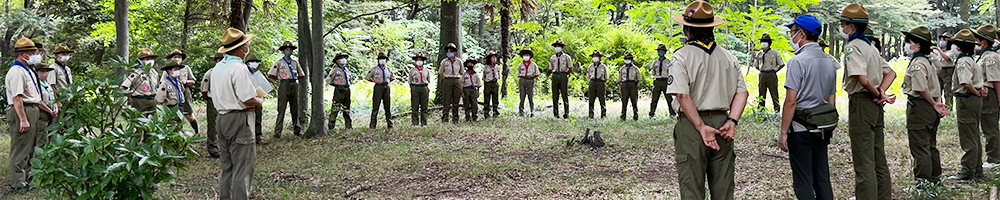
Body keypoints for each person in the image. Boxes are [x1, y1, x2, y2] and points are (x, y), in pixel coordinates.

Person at [667, 2, 749, 199]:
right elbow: (742, 93)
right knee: (723, 187)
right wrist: (732, 121)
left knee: (692, 187)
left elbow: (682, 95)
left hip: (692, 126)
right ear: (711, 28)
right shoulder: (729, 57)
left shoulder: (681, 57)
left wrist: (701, 126)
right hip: (723, 125)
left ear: (687, 30)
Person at [837, 3, 898, 199]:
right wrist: (881, 91)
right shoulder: (870, 48)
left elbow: (862, 80)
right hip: (875, 106)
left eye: (843, 24)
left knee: (864, 161)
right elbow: (891, 73)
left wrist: (878, 93)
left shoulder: (853, 47)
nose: (842, 28)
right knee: (878, 157)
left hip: (862, 104)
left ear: (851, 26)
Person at [776, 14, 838, 200]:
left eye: (792, 32)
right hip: (822, 126)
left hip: (800, 128)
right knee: (822, 176)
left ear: (801, 33)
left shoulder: (797, 62)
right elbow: (831, 99)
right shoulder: (829, 61)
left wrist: (784, 132)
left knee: (803, 179)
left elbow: (791, 101)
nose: (791, 36)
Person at [211, 28, 264, 200]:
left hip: (222, 118)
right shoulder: (239, 68)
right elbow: (247, 98)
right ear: (241, 48)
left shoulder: (218, 68)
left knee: (227, 167)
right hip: (240, 119)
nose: (248, 46)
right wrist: (259, 101)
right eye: (246, 44)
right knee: (243, 167)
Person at [900, 26, 950, 184]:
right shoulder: (928, 61)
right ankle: (935, 179)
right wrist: (937, 102)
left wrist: (934, 104)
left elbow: (921, 89)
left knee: (920, 146)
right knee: (930, 145)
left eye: (910, 42)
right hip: (929, 107)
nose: (907, 45)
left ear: (918, 45)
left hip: (920, 108)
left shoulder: (918, 64)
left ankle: (923, 183)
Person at [6, 38, 43, 192]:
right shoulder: (16, 72)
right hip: (23, 110)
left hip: (32, 109)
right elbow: (17, 97)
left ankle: (26, 178)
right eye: (33, 52)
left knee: (29, 147)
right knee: (20, 147)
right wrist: (23, 119)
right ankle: (17, 183)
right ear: (23, 54)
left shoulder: (27, 70)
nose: (36, 55)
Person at [949, 29, 986, 180]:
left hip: (967, 99)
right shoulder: (971, 59)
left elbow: (965, 83)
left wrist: (976, 93)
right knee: (974, 134)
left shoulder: (963, 61)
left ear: (959, 47)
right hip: (973, 99)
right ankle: (977, 168)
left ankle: (967, 170)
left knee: (968, 135)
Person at [267, 41, 306, 138]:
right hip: (284, 85)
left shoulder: (295, 63)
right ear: (283, 51)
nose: (288, 51)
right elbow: (270, 74)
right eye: (286, 50)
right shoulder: (279, 63)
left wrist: (295, 79)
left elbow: (302, 74)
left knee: (295, 109)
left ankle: (297, 131)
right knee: (281, 109)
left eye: (290, 50)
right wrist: (281, 78)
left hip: (294, 84)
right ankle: (277, 133)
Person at [974, 25, 1000, 170]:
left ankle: (994, 158)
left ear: (983, 41)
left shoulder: (990, 57)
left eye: (977, 39)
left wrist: (998, 98)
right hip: (984, 94)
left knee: (990, 127)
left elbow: (995, 80)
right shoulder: (984, 56)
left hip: (990, 93)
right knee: (986, 125)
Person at [165, 49, 200, 136]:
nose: (177, 59)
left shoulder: (186, 68)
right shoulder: (167, 69)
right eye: (175, 57)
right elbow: (163, 82)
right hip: (172, 94)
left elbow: (193, 81)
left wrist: (187, 81)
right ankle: (177, 136)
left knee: (190, 117)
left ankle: (196, 133)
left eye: (179, 57)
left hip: (185, 93)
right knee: (173, 117)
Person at [120, 48, 161, 116]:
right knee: (139, 122)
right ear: (141, 61)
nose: (150, 61)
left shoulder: (154, 73)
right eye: (147, 59)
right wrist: (130, 96)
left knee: (152, 122)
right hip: (140, 100)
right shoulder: (136, 73)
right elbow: (122, 88)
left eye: (151, 59)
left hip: (152, 100)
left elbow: (158, 87)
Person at [751, 33, 785, 112]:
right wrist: (761, 70)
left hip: (771, 74)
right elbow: (756, 65)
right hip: (762, 74)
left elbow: (782, 64)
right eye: (762, 41)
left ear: (769, 43)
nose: (763, 43)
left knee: (774, 94)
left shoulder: (774, 53)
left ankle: (777, 111)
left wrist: (775, 70)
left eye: (765, 41)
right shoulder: (759, 53)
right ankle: (761, 111)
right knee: (761, 94)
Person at [202, 53, 225, 158]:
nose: (221, 62)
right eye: (218, 60)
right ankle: (212, 147)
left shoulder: (227, 72)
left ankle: (224, 146)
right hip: (213, 99)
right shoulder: (209, 73)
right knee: (212, 124)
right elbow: (204, 90)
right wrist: (209, 100)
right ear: (215, 61)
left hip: (225, 100)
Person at [365, 52, 395, 129]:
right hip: (378, 87)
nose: (382, 60)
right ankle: (372, 125)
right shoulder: (374, 69)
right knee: (375, 106)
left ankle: (390, 124)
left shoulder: (388, 69)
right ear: (378, 60)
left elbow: (392, 78)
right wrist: (376, 81)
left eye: (384, 59)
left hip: (386, 87)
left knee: (387, 106)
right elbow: (368, 78)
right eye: (381, 59)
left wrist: (386, 82)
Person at [649, 43, 676, 118]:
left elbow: (672, 72)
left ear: (665, 52)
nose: (660, 52)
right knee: (654, 98)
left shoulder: (668, 62)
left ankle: (672, 113)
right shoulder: (655, 62)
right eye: (659, 51)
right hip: (658, 81)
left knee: (669, 98)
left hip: (666, 81)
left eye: (662, 51)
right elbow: (653, 72)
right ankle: (651, 114)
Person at [327, 52, 353, 130]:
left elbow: (350, 80)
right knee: (335, 108)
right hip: (339, 89)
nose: (343, 60)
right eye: (341, 58)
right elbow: (328, 80)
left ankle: (348, 126)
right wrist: (336, 85)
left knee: (347, 108)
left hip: (347, 89)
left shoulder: (346, 69)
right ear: (337, 61)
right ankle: (331, 126)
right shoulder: (335, 70)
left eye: (344, 58)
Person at [35, 61, 58, 149]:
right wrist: (49, 110)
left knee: (51, 137)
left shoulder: (48, 84)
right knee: (42, 138)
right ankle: (39, 159)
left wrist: (55, 108)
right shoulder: (36, 85)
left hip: (51, 113)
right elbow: (39, 101)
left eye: (47, 71)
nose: (45, 74)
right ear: (36, 73)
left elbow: (53, 98)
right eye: (42, 71)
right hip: (43, 113)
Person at [438, 43, 463, 122]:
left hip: (457, 80)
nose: (449, 53)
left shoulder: (459, 61)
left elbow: (462, 72)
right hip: (447, 80)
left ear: (454, 52)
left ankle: (455, 118)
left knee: (456, 100)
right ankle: (445, 117)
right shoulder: (444, 62)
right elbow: (440, 72)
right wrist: (445, 78)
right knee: (447, 100)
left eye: (451, 51)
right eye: (448, 51)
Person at [931, 33, 957, 107]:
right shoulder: (938, 51)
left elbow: (947, 58)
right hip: (939, 70)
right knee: (938, 89)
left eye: (944, 40)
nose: (942, 41)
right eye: (941, 39)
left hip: (947, 70)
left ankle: (949, 106)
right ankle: (939, 105)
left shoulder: (951, 51)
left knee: (947, 90)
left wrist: (939, 50)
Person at [550, 38, 572, 118]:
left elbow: (570, 68)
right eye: (556, 46)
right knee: (555, 95)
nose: (557, 47)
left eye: (559, 46)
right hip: (555, 75)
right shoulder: (552, 58)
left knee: (564, 94)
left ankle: (566, 113)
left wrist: (565, 74)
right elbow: (551, 68)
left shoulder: (566, 57)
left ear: (562, 47)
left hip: (563, 75)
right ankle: (556, 114)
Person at [246, 54, 266, 145]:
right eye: (252, 62)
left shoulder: (258, 74)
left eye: (256, 62)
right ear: (247, 63)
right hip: (248, 100)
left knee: (258, 118)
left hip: (258, 99)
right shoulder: (245, 73)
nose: (254, 64)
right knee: (248, 119)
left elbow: (263, 87)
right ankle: (249, 137)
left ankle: (258, 137)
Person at [48, 43, 73, 112]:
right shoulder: (53, 68)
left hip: (68, 98)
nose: (65, 55)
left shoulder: (67, 69)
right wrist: (57, 101)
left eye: (67, 53)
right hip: (60, 98)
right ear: (56, 55)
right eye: (63, 53)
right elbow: (51, 86)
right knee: (58, 120)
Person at [409, 52, 431, 126]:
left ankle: (424, 123)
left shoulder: (426, 70)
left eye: (420, 59)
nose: (419, 61)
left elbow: (428, 80)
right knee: (415, 106)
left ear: (423, 61)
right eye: (417, 59)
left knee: (424, 106)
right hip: (415, 87)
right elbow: (410, 81)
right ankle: (415, 123)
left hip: (424, 87)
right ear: (415, 61)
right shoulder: (412, 70)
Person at [517, 48, 540, 117]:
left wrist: (531, 78)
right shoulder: (520, 65)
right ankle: (521, 112)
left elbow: (537, 73)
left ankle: (532, 111)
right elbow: (518, 74)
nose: (526, 56)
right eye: (524, 55)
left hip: (530, 80)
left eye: (527, 55)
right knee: (522, 96)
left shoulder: (533, 65)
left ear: (530, 56)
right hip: (522, 80)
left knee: (530, 96)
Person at [586, 50, 609, 119]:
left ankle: (603, 116)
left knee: (602, 99)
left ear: (599, 57)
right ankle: (591, 116)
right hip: (592, 82)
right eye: (594, 56)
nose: (595, 57)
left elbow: (606, 77)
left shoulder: (603, 66)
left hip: (600, 83)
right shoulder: (590, 66)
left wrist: (601, 82)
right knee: (591, 100)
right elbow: (588, 76)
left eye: (596, 56)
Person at [618, 52, 640, 121]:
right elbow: (620, 79)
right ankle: (623, 116)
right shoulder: (622, 69)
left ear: (631, 60)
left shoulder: (635, 68)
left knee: (634, 101)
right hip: (624, 85)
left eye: (629, 59)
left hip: (632, 84)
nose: (627, 60)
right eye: (626, 59)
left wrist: (633, 84)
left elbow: (638, 79)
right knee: (624, 101)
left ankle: (635, 116)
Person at [482, 51, 501, 118]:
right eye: (493, 57)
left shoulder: (497, 67)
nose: (494, 59)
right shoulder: (486, 67)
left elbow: (498, 75)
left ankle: (495, 110)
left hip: (495, 83)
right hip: (488, 83)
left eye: (495, 58)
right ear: (489, 58)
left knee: (495, 97)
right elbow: (484, 76)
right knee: (487, 98)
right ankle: (486, 112)